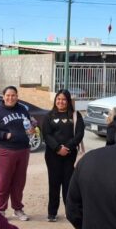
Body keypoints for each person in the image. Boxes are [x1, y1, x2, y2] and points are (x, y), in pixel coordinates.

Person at [0, 86, 35, 220]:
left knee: (19, 182)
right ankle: (0, 210)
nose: (10, 98)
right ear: (3, 96)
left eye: (13, 95)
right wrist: (4, 135)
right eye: (8, 95)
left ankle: (18, 209)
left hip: (23, 149)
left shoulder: (22, 109)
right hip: (4, 150)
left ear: (17, 97)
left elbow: (29, 124)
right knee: (3, 181)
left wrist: (31, 129)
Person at [42, 89, 85, 222]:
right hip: (52, 155)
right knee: (54, 183)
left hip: (69, 155)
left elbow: (79, 134)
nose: (61, 101)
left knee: (69, 184)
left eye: (64, 99)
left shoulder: (75, 115)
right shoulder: (49, 116)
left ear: (68, 101)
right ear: (55, 100)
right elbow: (46, 135)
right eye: (58, 99)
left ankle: (69, 211)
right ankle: (52, 213)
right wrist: (57, 148)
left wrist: (67, 147)